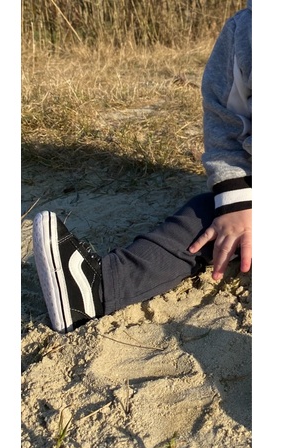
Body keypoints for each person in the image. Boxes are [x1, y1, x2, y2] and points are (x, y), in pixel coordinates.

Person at [33, 1, 252, 334]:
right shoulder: (245, 32)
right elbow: (225, 123)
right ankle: (99, 289)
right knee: (202, 219)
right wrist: (235, 202)